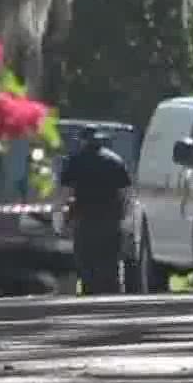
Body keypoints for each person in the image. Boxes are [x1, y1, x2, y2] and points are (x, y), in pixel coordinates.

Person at [59, 126, 132, 295]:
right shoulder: (115, 161)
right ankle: (112, 297)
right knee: (110, 262)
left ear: (83, 141)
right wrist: (126, 218)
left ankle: (89, 295)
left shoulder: (75, 161)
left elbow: (65, 193)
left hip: (85, 220)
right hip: (111, 220)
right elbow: (126, 194)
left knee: (87, 264)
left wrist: (60, 217)